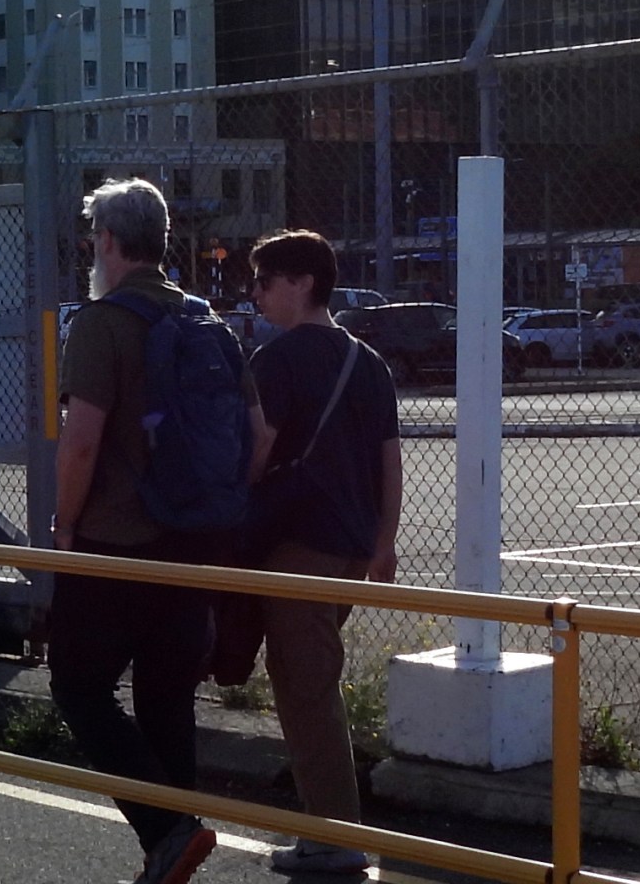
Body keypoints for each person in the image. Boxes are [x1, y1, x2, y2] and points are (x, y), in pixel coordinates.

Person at [52, 177, 265, 884]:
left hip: (116, 546)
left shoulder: (103, 323)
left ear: (107, 242)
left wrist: (64, 526)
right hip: (197, 543)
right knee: (167, 697)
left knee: (79, 688)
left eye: (95, 240)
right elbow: (258, 436)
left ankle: (168, 831)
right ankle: (168, 855)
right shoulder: (210, 321)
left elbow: (80, 442)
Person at [245, 229, 400, 877]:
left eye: (264, 281)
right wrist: (384, 543)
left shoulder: (275, 361)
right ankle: (323, 831)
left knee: (305, 691)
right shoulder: (367, 361)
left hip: (296, 547)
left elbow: (255, 453)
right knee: (312, 681)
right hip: (349, 550)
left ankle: (336, 839)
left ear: (301, 282)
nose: (254, 294)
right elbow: (389, 462)